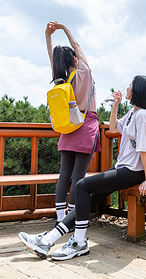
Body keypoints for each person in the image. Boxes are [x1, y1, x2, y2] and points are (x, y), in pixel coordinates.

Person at [18, 75, 146, 260]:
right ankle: (49, 239)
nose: (127, 87)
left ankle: (78, 242)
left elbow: (143, 149)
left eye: (131, 85)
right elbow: (114, 128)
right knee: (89, 197)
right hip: (124, 167)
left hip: (134, 171)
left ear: (139, 90)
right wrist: (116, 104)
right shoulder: (134, 113)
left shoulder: (143, 116)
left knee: (82, 186)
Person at [45, 21, 101, 224]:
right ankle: (71, 221)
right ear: (75, 60)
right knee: (78, 178)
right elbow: (77, 47)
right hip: (86, 127)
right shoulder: (84, 73)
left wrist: (48, 36)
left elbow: (53, 58)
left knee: (64, 175)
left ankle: (61, 219)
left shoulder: (60, 79)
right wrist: (65, 29)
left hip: (67, 129)